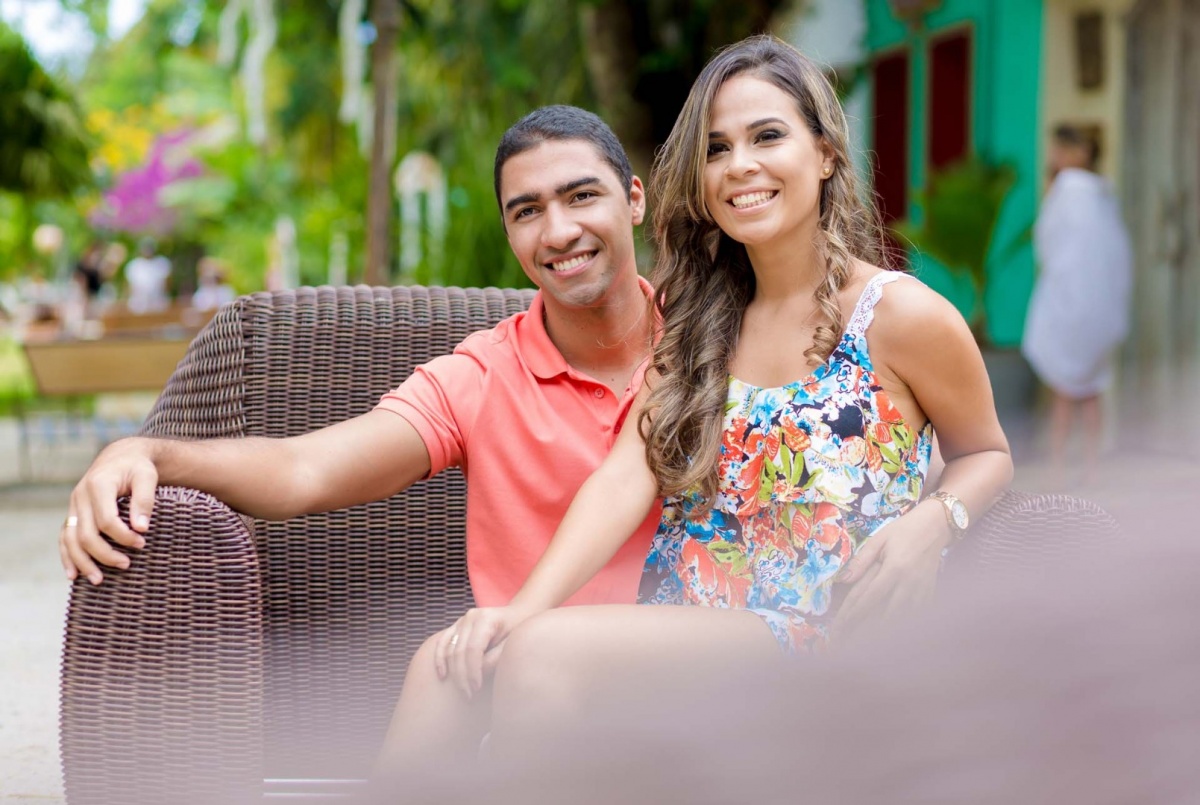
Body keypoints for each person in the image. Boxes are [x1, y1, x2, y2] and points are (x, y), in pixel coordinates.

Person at [391, 35, 1013, 766]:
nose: (739, 165)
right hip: (681, 630)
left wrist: (934, 523)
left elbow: (988, 452)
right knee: (451, 663)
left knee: (543, 653)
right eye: (716, 149)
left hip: (816, 634)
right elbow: (626, 476)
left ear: (826, 154)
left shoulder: (900, 316)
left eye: (767, 136)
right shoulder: (699, 319)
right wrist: (519, 607)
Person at [58, 107, 659, 641]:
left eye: (581, 196)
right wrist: (146, 453)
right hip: (529, 687)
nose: (558, 232)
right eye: (528, 211)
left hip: (699, 690)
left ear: (634, 199)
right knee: (441, 670)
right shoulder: (480, 376)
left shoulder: (716, 346)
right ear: (510, 234)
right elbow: (304, 471)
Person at [1022, 124, 1133, 479]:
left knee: (1064, 389)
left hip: (1068, 301)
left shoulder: (1066, 189)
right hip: (1100, 304)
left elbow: (1048, 242)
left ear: (1073, 153)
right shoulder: (1105, 192)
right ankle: (1092, 465)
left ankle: (1056, 465)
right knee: (1093, 387)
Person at [123, 238, 172, 314]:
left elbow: (167, 283)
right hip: (139, 304)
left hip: (158, 302)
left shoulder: (162, 262)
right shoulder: (134, 265)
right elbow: (129, 286)